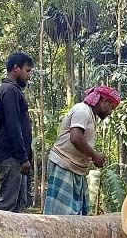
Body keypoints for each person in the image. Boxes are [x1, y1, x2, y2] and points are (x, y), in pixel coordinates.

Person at [44, 86, 120, 215]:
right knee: (62, 215)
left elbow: (81, 142)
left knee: (76, 213)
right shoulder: (82, 111)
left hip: (75, 169)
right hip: (64, 165)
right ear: (104, 101)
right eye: (111, 107)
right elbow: (76, 138)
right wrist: (94, 155)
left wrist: (92, 157)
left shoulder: (90, 115)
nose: (110, 112)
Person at [0, 51, 34, 212]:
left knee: (16, 205)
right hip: (10, 155)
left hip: (15, 156)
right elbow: (13, 125)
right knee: (7, 204)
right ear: (16, 68)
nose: (29, 75)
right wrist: (23, 157)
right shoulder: (9, 90)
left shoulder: (12, 90)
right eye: (27, 71)